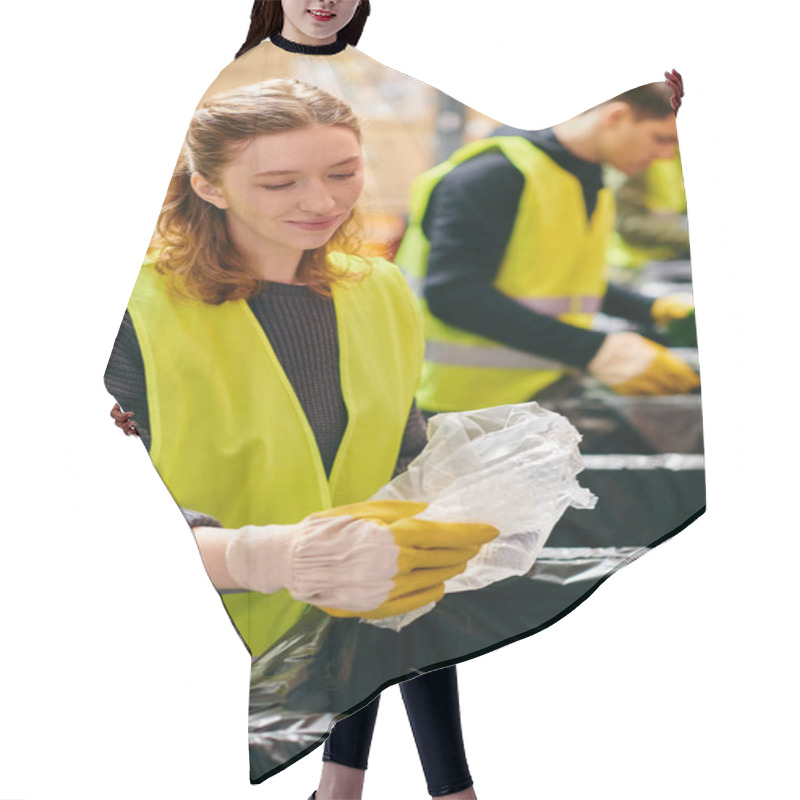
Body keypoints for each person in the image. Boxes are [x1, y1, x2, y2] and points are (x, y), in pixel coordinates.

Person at [105, 68, 489, 800]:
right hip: (197, 641)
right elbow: (92, 511)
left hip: (323, 645)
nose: (323, 203)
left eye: (344, 172)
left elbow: (391, 474)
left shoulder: (376, 288)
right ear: (208, 185)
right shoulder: (132, 307)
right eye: (280, 184)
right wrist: (263, 555)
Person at [394, 81, 700, 414]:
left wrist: (651, 309)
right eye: (661, 138)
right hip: (461, 408)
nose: (666, 156)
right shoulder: (494, 175)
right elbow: (455, 296)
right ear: (616, 116)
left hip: (536, 394)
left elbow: (557, 280)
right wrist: (596, 350)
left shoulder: (587, 178)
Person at [606, 151, 691, 270]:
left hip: (672, 253)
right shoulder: (636, 157)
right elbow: (629, 224)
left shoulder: (674, 154)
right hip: (638, 265)